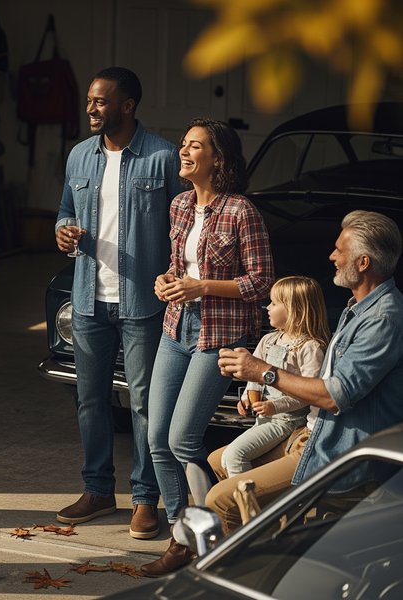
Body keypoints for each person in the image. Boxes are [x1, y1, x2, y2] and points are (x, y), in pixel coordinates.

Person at [210, 210, 403, 535]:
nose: (332, 257)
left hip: (340, 453)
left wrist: (264, 372)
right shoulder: (358, 310)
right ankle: (278, 542)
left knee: (221, 500)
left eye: (339, 250)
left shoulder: (382, 320)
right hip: (312, 434)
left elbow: (334, 396)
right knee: (218, 460)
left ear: (363, 262)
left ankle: (251, 561)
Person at [142, 117, 274, 577]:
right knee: (157, 437)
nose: (183, 151)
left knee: (182, 438)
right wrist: (166, 281)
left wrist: (202, 288)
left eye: (194, 146)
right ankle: (187, 532)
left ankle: (203, 537)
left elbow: (261, 282)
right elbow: (178, 266)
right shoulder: (180, 204)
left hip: (219, 334)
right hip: (176, 327)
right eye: (183, 144)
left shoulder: (241, 212)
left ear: (218, 158)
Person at [55, 67, 182, 540]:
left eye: (101, 101)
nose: (91, 108)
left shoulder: (163, 158)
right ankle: (98, 490)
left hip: (143, 304)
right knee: (91, 400)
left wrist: (178, 279)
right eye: (90, 100)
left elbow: (184, 228)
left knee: (144, 404)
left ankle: (146, 499)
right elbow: (65, 210)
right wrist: (62, 231)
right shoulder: (79, 156)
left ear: (127, 106)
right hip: (88, 300)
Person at [219, 276, 329, 476]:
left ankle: (245, 496)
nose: (267, 307)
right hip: (265, 418)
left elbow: (309, 393)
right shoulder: (268, 340)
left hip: (288, 420)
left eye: (274, 303)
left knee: (235, 456)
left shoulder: (309, 347)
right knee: (226, 458)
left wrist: (275, 406)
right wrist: (245, 398)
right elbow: (254, 377)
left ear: (295, 310)